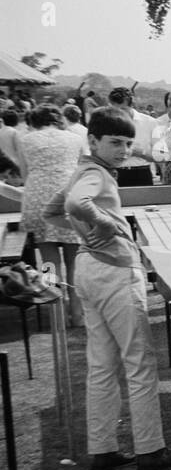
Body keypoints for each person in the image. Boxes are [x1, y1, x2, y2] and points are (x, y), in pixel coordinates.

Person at [42, 109, 171, 470]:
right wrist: (106, 223)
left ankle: (103, 448)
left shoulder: (84, 170)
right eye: (115, 142)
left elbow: (53, 210)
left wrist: (85, 232)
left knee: (102, 365)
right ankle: (150, 449)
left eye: (127, 143)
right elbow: (76, 204)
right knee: (139, 363)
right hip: (115, 271)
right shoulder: (94, 173)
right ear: (92, 141)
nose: (123, 150)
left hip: (89, 267)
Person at [17, 104, 85, 326]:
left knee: (48, 262)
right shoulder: (74, 138)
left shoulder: (26, 139)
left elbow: (24, 174)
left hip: (37, 198)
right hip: (67, 196)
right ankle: (77, 314)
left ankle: (58, 314)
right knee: (74, 261)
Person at [102, 87, 158, 187]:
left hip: (142, 175)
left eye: (123, 109)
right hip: (114, 175)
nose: (119, 114)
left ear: (131, 105)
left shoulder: (151, 123)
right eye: (115, 110)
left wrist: (140, 153)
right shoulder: (106, 123)